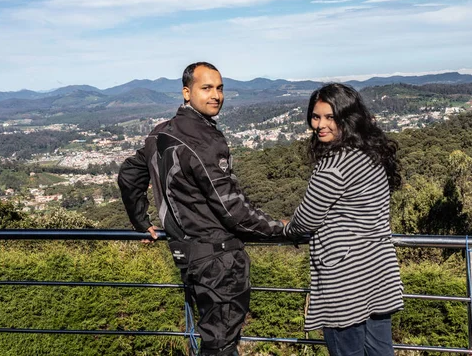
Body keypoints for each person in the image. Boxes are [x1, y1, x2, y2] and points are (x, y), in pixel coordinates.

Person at [117, 61, 284, 356]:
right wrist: (282, 228)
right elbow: (233, 210)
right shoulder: (203, 140)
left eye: (219, 88)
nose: (216, 95)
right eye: (206, 88)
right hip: (218, 261)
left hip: (188, 257)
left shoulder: (159, 134)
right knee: (220, 345)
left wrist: (140, 221)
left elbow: (129, 176)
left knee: (213, 341)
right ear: (186, 92)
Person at [283, 83, 404, 356]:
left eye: (330, 117)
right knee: (380, 351)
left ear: (347, 118)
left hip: (345, 279)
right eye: (316, 116)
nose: (320, 125)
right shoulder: (370, 153)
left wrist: (288, 230)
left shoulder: (334, 165)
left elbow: (305, 220)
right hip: (378, 271)